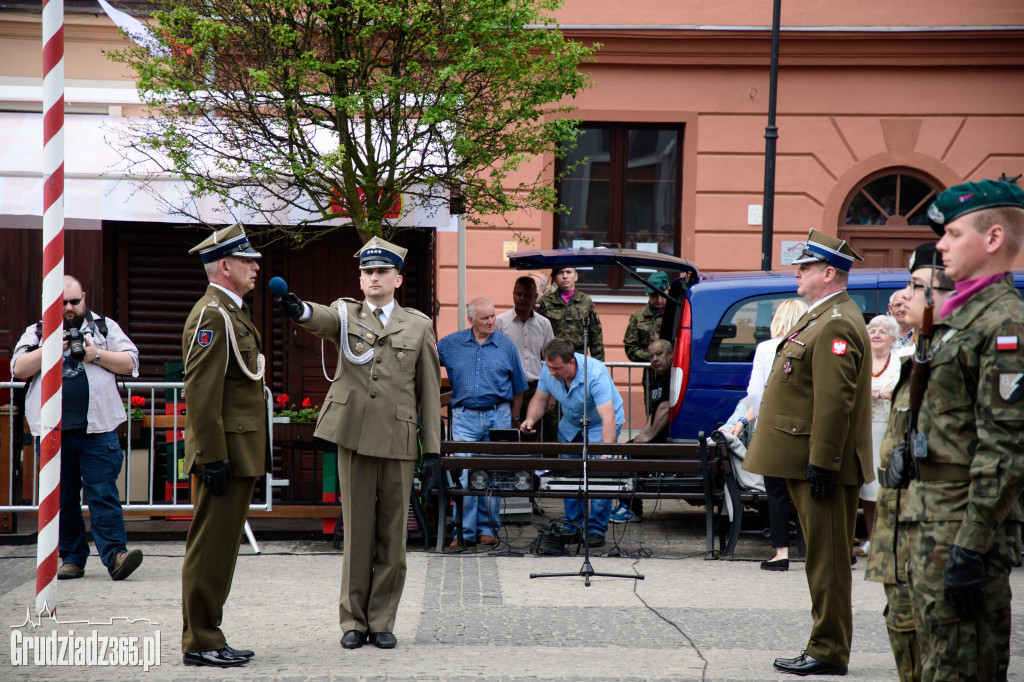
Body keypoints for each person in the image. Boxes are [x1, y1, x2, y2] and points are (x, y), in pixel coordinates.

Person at [279, 236, 441, 651]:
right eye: (368, 271)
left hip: (398, 439)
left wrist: (434, 451)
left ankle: (382, 620)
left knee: (393, 536)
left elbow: (428, 391)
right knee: (357, 535)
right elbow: (322, 321)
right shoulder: (346, 314)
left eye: (381, 271)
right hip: (353, 435)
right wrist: (300, 310)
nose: (373, 277)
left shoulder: (418, 325)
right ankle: (353, 621)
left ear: (398, 279)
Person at [901, 179, 1024, 681]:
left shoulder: (1004, 322)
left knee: (962, 667)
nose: (941, 246)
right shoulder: (961, 314)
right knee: (935, 664)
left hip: (962, 530)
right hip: (933, 521)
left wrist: (970, 545)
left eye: (952, 234)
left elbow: (1007, 447)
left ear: (993, 238)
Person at [743, 228, 874, 677]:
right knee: (822, 558)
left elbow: (834, 402)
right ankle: (824, 644)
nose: (797, 273)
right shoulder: (821, 315)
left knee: (828, 561)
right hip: (807, 458)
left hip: (821, 463)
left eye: (805, 267)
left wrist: (823, 462)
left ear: (829, 272)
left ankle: (828, 651)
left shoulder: (836, 321)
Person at [11, 275, 143, 583]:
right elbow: (18, 368)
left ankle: (116, 556)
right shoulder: (37, 332)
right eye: (63, 303)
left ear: (84, 298)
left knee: (103, 493)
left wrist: (96, 354)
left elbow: (131, 362)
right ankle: (72, 558)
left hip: (98, 429)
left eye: (74, 301)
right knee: (63, 498)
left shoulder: (104, 328)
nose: (69, 308)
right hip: (53, 430)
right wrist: (52, 347)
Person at [865, 242, 955, 682]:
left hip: (934, 527)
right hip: (898, 522)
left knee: (937, 640)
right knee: (900, 622)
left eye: (915, 287)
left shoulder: (954, 352)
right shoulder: (920, 352)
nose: (903, 297)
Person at [180, 224, 268, 668]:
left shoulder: (231, 310)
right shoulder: (212, 315)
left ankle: (210, 632)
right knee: (210, 548)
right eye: (248, 260)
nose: (256, 267)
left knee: (222, 550)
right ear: (226, 266)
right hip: (224, 455)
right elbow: (200, 391)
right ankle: (200, 641)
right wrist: (212, 456)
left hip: (238, 452)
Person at [437, 297, 528, 547]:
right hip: (464, 417)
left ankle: (487, 528)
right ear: (471, 320)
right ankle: (464, 532)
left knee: (492, 472)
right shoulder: (452, 343)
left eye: (493, 316)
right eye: (486, 318)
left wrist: (513, 420)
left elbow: (519, 386)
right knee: (465, 473)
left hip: (498, 415)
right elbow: (426, 356)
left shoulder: (506, 345)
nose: (492, 321)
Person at [518, 338, 624, 548]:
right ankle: (573, 526)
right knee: (570, 476)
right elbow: (540, 399)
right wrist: (530, 419)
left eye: (556, 368)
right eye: (549, 367)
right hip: (570, 426)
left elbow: (608, 417)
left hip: (600, 424)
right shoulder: (549, 370)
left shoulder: (595, 373)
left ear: (571, 363)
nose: (551, 373)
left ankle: (596, 529)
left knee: (599, 476)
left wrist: (606, 451)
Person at [729, 298, 808, 571]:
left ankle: (781, 553)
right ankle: (810, 548)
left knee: (777, 492)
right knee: (805, 490)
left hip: (773, 429)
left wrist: (758, 419)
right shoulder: (810, 345)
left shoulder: (766, 348)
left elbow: (755, 392)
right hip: (804, 429)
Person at [610, 338, 673, 524]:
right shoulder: (657, 377)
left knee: (630, 454)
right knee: (629, 448)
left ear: (671, 354)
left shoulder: (671, 376)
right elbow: (654, 412)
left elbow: (666, 408)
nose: (654, 359)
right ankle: (628, 506)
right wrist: (641, 436)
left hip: (668, 441)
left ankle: (631, 509)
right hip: (659, 438)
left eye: (659, 354)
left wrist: (649, 437)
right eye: (651, 356)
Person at [856, 314, 901, 558]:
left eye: (881, 332)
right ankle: (872, 539)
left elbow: (902, 389)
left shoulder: (900, 362)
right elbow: (852, 388)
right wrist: (879, 392)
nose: (875, 335)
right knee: (869, 488)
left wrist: (880, 392)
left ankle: (892, 538)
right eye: (872, 330)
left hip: (892, 429)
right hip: (865, 430)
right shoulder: (860, 361)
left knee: (891, 486)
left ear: (893, 339)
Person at [495, 276, 555, 431]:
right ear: (513, 294)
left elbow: (551, 361)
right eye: (518, 294)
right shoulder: (500, 323)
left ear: (535, 297)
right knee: (508, 434)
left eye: (526, 295)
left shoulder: (544, 324)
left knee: (532, 434)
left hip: (535, 390)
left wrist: (552, 394)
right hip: (508, 389)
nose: (521, 298)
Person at [623, 271, 670, 412]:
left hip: (673, 373)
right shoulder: (638, 316)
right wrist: (653, 358)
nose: (659, 300)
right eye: (654, 295)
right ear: (647, 293)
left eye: (662, 294)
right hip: (651, 376)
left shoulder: (676, 314)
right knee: (652, 412)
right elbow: (630, 348)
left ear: (668, 289)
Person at [536, 267, 604, 361]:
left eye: (568, 272)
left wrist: (599, 364)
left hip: (578, 357)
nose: (565, 276)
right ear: (555, 278)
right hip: (553, 358)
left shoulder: (585, 301)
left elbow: (595, 334)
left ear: (576, 276)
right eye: (560, 273)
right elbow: (536, 332)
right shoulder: (545, 302)